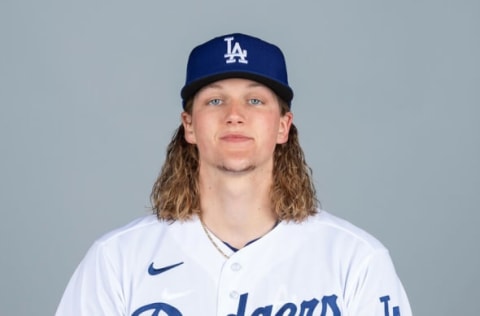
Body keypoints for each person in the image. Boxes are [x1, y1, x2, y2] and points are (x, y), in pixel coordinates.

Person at [56, 33, 412, 316]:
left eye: (255, 100)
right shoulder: (116, 261)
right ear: (189, 125)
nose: (235, 115)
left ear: (283, 127)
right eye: (215, 100)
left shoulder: (355, 261)